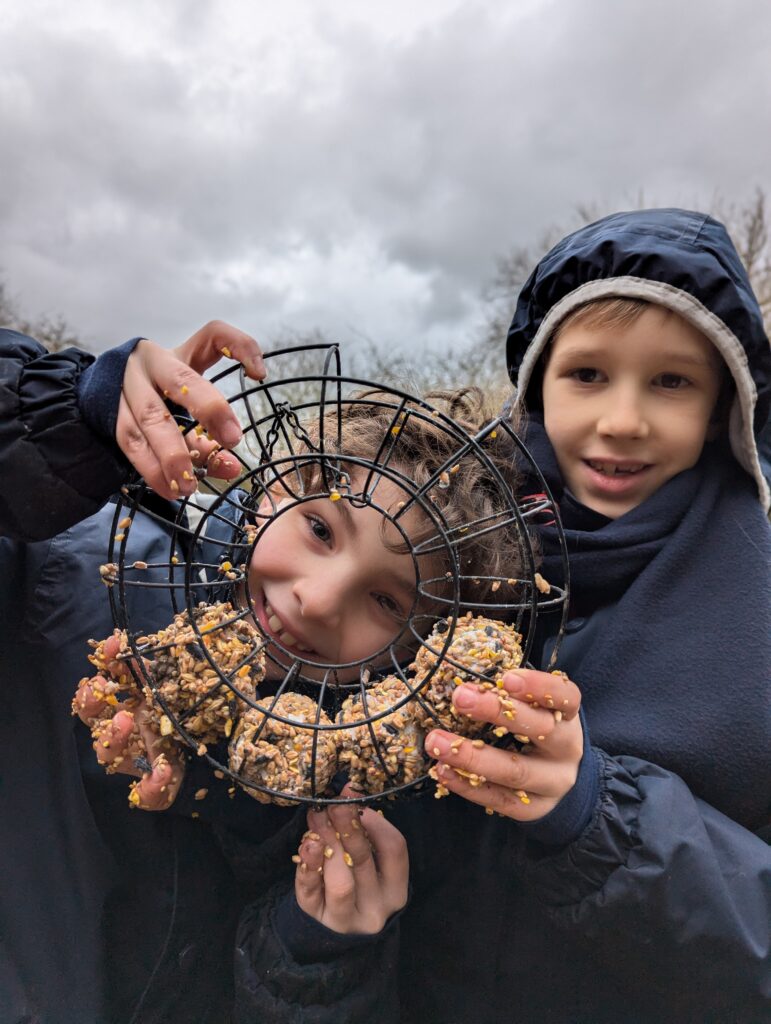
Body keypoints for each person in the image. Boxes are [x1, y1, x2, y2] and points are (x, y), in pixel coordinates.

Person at [233, 209, 771, 1024]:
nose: (621, 420)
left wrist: (597, 814)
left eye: (671, 381)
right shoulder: (436, 542)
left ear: (723, 407)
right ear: (537, 383)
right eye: (587, 374)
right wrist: (318, 940)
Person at [0, 317, 519, 1023]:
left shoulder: (359, 800)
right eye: (318, 529)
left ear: (416, 655)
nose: (318, 598)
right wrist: (54, 415)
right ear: (269, 491)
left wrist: (315, 948)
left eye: (386, 600)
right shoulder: (72, 559)